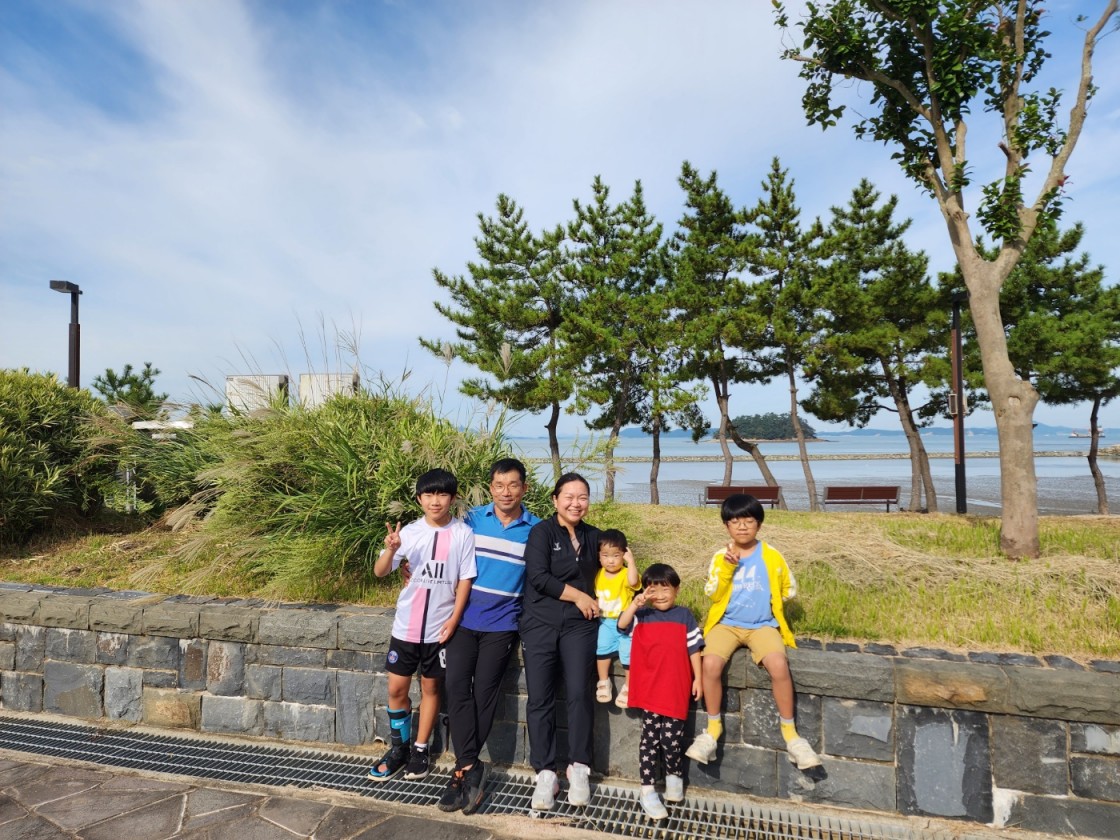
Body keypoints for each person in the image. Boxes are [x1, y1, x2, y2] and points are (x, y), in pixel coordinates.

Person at [684, 493, 821, 771]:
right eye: (735, 521)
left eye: (748, 520)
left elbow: (789, 589)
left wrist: (773, 603)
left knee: (778, 664)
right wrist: (727, 568)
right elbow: (713, 593)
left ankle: (791, 736)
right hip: (726, 624)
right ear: (726, 526)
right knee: (710, 663)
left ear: (759, 523)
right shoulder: (721, 557)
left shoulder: (771, 555)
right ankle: (712, 730)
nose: (742, 526)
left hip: (762, 625)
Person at [439, 458, 540, 814]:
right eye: (499, 485)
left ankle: (462, 770)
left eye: (513, 485)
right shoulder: (471, 520)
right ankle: (470, 765)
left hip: (502, 625)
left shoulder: (536, 530)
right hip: (463, 619)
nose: (505, 492)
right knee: (455, 688)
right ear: (491, 487)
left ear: (524, 488)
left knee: (484, 695)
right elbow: (444, 551)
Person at [367, 468, 476, 782]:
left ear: (453, 498)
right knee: (396, 689)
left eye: (442, 494)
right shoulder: (410, 533)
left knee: (431, 688)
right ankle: (398, 748)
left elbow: (465, 579)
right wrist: (391, 549)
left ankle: (420, 749)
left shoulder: (463, 533)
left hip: (439, 629)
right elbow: (380, 571)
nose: (435, 501)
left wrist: (454, 619)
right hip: (406, 626)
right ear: (419, 499)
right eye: (429, 494)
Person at [520, 472, 601, 811]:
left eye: (582, 497)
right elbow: (539, 577)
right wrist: (580, 596)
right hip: (540, 623)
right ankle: (545, 772)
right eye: (568, 496)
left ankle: (579, 767)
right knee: (540, 697)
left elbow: (615, 570)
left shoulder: (594, 536)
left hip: (579, 627)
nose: (575, 503)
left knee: (580, 693)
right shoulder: (542, 532)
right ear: (555, 500)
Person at [617, 563, 703, 821]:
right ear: (646, 591)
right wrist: (636, 603)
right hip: (651, 690)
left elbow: (694, 649)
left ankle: (674, 776)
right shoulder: (642, 616)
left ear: (677, 589)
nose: (661, 594)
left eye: (666, 588)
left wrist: (698, 678)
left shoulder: (684, 616)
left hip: (676, 688)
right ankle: (647, 791)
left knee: (671, 739)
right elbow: (621, 625)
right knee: (649, 740)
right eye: (653, 589)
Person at [594, 529, 640, 708]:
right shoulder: (598, 575)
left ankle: (629, 686)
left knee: (628, 654)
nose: (610, 560)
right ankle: (603, 681)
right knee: (602, 649)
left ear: (624, 555)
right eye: (605, 555)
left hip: (625, 624)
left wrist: (631, 562)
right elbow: (596, 595)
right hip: (605, 622)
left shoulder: (625, 574)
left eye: (616, 555)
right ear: (599, 556)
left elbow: (634, 582)